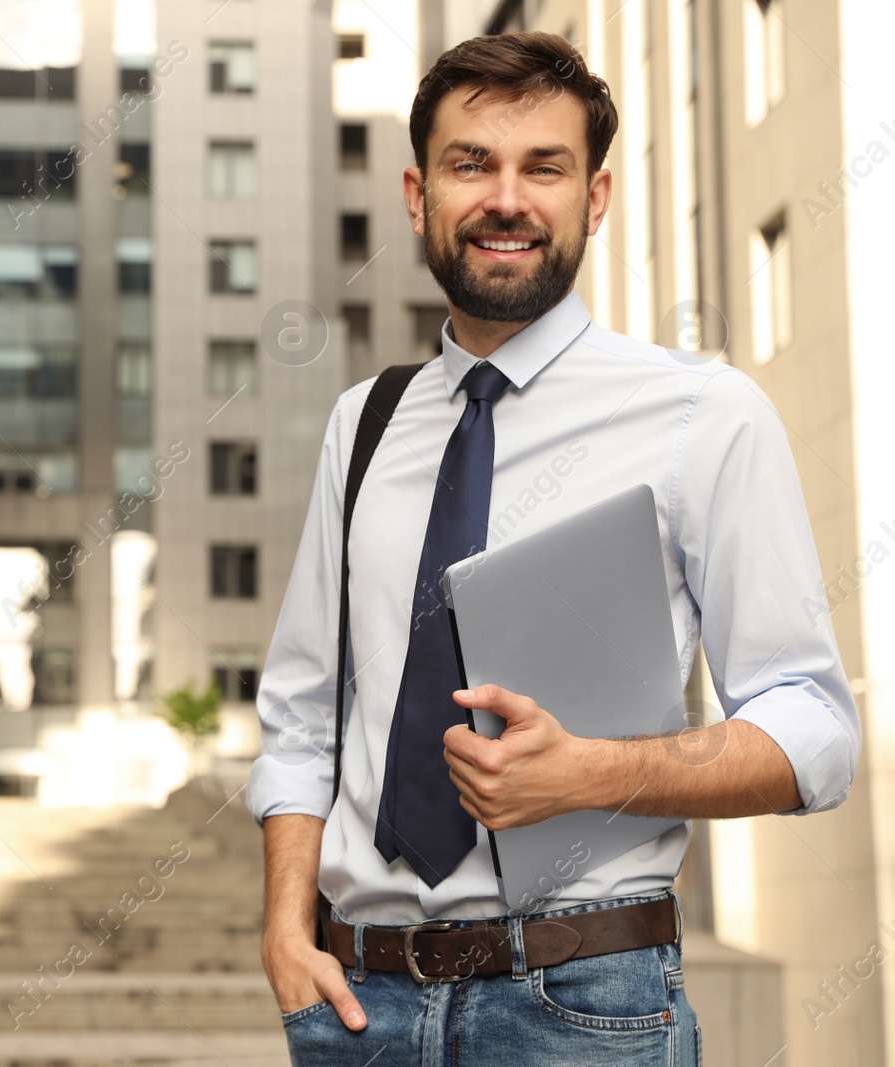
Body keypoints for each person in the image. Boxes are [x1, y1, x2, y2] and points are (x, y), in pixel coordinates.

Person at [247, 31, 859, 1066]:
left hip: (583, 1005)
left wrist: (589, 771)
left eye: (544, 166)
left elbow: (814, 731)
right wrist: (281, 929)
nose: (506, 199)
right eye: (470, 163)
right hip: (361, 1008)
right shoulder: (364, 422)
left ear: (596, 196)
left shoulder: (701, 414)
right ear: (415, 194)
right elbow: (302, 713)